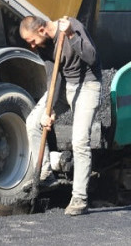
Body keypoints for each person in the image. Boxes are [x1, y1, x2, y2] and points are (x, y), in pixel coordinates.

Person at [20, 15, 101, 216]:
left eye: (32, 41)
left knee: (80, 141)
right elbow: (52, 78)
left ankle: (80, 199)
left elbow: (92, 57)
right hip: (65, 86)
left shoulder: (72, 27)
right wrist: (50, 110)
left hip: (88, 85)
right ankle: (46, 174)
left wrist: (72, 35)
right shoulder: (43, 46)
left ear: (41, 31)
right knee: (33, 122)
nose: (31, 46)